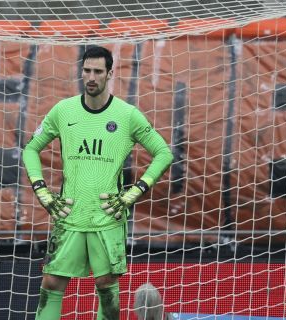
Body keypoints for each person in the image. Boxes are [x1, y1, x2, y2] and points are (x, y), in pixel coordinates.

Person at [22, 46, 173, 320]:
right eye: (87, 70)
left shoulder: (127, 115)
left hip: (108, 217)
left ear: (109, 74)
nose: (91, 77)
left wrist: (134, 193)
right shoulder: (63, 111)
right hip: (69, 216)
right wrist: (42, 191)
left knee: (106, 288)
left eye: (98, 71)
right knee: (51, 284)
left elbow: (164, 153)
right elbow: (30, 149)